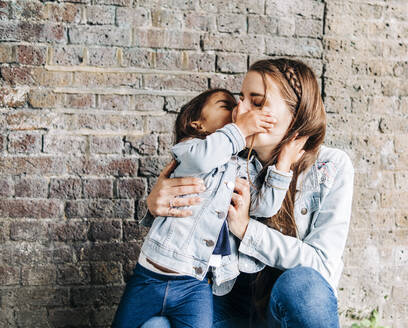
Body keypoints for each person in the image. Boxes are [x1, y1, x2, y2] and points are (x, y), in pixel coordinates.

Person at [142, 58, 355, 328]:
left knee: (303, 286)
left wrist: (245, 228)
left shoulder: (331, 167)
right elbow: (184, 194)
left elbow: (321, 266)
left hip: (284, 308)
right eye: (240, 99)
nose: (239, 111)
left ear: (295, 114)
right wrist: (154, 204)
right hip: (227, 298)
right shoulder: (227, 152)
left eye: (257, 102)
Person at [112, 88, 306, 328]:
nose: (237, 110)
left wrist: (283, 165)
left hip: (196, 284)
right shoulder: (189, 149)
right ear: (197, 124)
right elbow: (203, 159)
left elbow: (264, 206)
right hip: (149, 276)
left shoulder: (239, 166)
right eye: (226, 105)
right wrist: (240, 129)